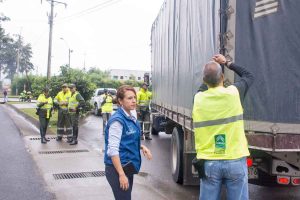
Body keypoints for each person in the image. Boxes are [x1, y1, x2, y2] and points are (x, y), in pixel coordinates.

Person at [192, 54, 254, 200]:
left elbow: (204, 86)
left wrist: (210, 70)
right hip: (235, 160)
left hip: (209, 162)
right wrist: (226, 63)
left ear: (204, 80)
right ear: (222, 78)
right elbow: (249, 76)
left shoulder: (198, 98)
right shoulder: (234, 93)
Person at [104, 85, 152, 200]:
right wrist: (121, 174)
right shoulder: (117, 121)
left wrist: (141, 146)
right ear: (120, 101)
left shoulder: (130, 116)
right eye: (129, 98)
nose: (134, 101)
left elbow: (126, 140)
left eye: (134, 97)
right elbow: (113, 150)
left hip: (127, 167)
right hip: (117, 169)